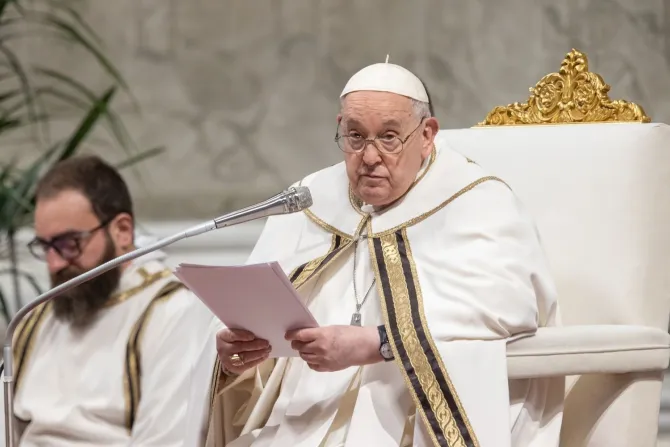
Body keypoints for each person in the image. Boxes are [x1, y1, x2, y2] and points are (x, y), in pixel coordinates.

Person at [206, 60, 564, 446]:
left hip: (408, 423)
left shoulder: (478, 202)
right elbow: (256, 322)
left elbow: (509, 308)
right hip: (300, 423)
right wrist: (237, 357)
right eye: (355, 137)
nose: (369, 156)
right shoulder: (310, 199)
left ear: (427, 135)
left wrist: (376, 342)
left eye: (389, 137)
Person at [10, 155, 220, 446]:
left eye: (70, 244)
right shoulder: (38, 318)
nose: (54, 263)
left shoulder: (172, 310)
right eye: (45, 246)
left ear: (122, 230)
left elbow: (167, 440)